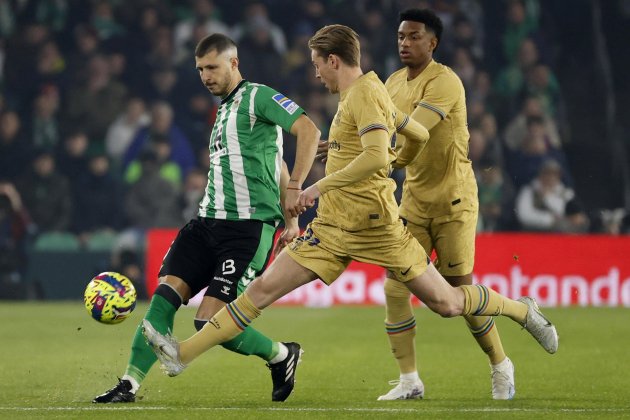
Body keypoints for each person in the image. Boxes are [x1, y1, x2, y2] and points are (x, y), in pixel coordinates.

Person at [141, 26, 558, 397]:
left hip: (377, 227)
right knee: (261, 291)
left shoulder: (365, 95)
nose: (315, 74)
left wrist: (318, 185)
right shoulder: (364, 92)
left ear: (333, 60)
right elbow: (412, 133)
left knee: (447, 303)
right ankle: (182, 355)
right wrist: (359, 152)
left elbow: (376, 157)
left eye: (317, 65)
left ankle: (522, 310)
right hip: (332, 227)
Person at [93, 33, 321, 403]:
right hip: (204, 224)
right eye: (200, 69)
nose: (205, 76)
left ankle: (281, 354)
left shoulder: (258, 97)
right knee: (164, 297)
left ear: (234, 63)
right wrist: (291, 216)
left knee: (208, 321)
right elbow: (274, 161)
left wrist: (295, 190)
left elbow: (308, 131)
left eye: (212, 67)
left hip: (247, 231)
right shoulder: (223, 112)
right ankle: (129, 384)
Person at [378, 8, 515, 401]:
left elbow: (415, 133)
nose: (405, 42)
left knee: (458, 293)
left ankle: (501, 364)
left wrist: (377, 160)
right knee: (395, 284)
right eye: (401, 35)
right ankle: (409, 380)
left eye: (414, 36)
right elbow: (377, 130)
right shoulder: (391, 82)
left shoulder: (446, 82)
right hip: (414, 201)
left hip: (453, 199)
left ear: (432, 42)